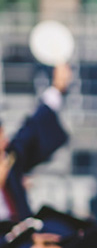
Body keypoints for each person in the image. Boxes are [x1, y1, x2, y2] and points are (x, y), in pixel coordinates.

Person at [0, 63, 72, 222]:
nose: (3, 137)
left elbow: (31, 130)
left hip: (19, 235)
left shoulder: (9, 159)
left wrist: (57, 88)